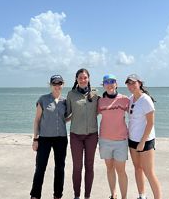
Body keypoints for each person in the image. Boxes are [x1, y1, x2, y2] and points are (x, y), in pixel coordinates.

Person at [30, 75, 68, 199]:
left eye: (59, 83)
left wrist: (74, 116)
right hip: (44, 138)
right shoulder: (43, 99)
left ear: (63, 84)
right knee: (40, 167)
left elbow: (63, 119)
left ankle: (57, 195)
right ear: (50, 85)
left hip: (61, 139)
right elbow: (37, 120)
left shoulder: (65, 101)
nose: (57, 86)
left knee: (60, 168)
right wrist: (35, 139)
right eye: (54, 83)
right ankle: (35, 195)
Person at [125, 74, 162, 199]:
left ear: (139, 83)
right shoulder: (130, 99)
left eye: (133, 83)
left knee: (149, 172)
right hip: (132, 139)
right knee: (137, 168)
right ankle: (142, 195)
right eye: (129, 84)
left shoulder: (146, 99)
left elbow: (151, 123)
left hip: (145, 141)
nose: (131, 86)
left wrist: (142, 141)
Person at [66, 68, 99, 199]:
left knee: (89, 166)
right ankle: (77, 196)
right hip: (75, 135)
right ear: (76, 79)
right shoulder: (71, 94)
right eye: (80, 78)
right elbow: (67, 113)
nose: (83, 80)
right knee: (77, 167)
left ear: (88, 78)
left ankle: (87, 196)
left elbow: (103, 108)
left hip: (92, 135)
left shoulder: (95, 93)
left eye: (85, 77)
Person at [98, 74, 130, 199]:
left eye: (112, 81)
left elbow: (136, 113)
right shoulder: (100, 101)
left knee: (121, 171)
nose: (109, 84)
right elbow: (90, 114)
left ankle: (124, 197)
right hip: (105, 140)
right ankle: (113, 194)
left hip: (121, 141)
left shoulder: (125, 99)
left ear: (116, 84)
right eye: (106, 82)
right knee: (109, 168)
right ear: (103, 85)